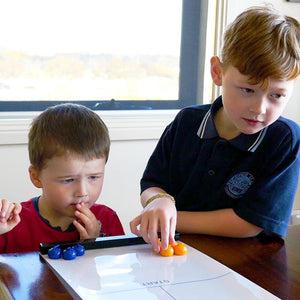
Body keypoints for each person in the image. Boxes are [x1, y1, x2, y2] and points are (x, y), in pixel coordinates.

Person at [130, 6, 300, 252]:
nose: (259, 108)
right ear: (218, 72)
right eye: (248, 90)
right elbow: (153, 182)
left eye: (277, 95)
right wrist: (158, 201)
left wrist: (170, 215)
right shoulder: (186, 122)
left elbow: (249, 223)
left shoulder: (284, 139)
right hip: (176, 252)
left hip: (249, 264)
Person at [0, 103, 124, 253]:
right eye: (68, 180)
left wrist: (96, 241)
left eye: (93, 177)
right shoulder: (12, 223)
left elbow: (118, 273)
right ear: (36, 177)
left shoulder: (107, 219)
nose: (82, 192)